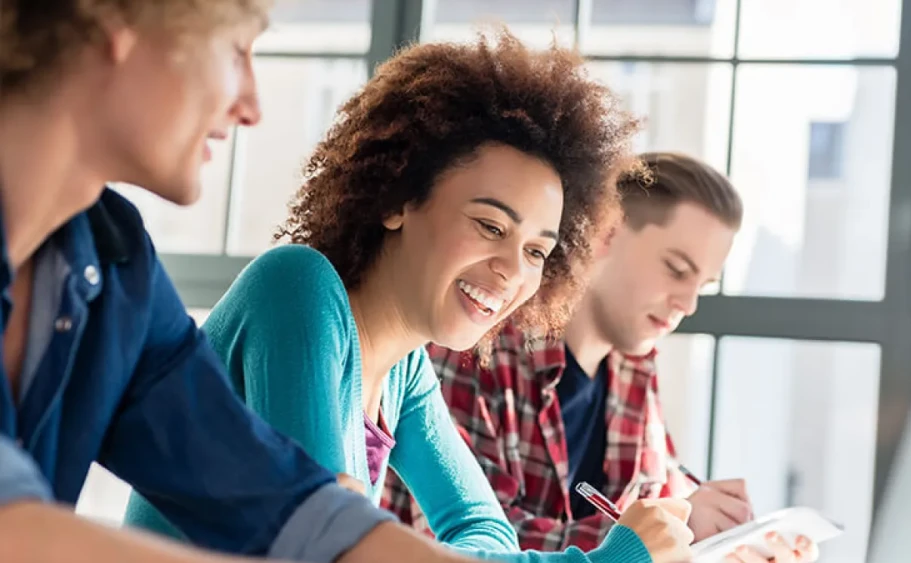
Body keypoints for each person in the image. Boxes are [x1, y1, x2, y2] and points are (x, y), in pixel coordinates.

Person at [124, 29, 697, 563]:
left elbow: (487, 530)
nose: (510, 271)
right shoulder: (298, 290)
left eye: (536, 251)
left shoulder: (405, 372)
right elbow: (328, 550)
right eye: (491, 227)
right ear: (398, 201)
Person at [0, 1, 503, 562]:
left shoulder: (117, 269)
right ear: (113, 19)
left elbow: (288, 505)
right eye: (235, 49)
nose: (252, 107)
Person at [381, 152, 821, 563]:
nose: (688, 304)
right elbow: (474, 545)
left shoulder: (637, 366)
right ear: (605, 234)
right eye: (677, 270)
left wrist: (720, 538)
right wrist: (651, 538)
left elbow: (660, 501)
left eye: (702, 285)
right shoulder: (473, 342)